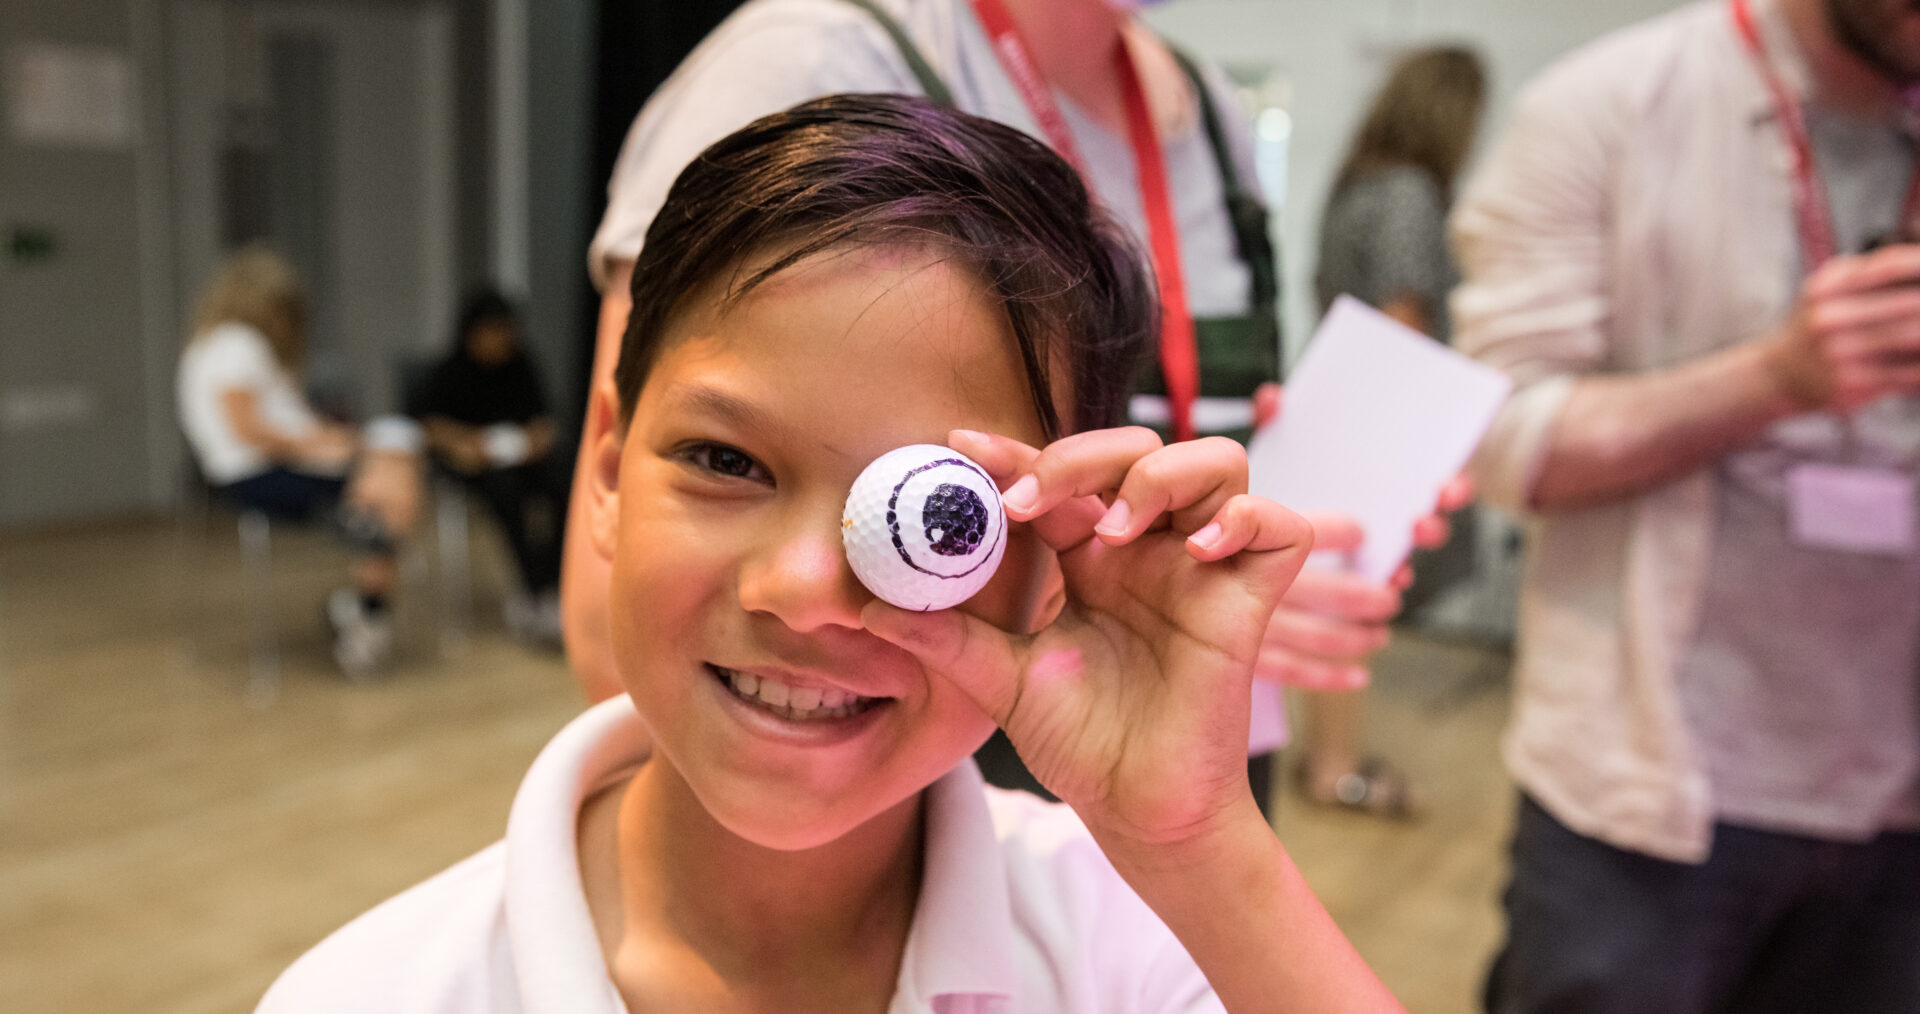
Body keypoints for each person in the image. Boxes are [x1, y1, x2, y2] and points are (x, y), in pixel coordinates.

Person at [256, 94, 1406, 1013]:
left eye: (940, 517)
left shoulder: (1136, 945)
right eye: (724, 461)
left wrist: (1198, 844)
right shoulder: (372, 993)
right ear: (605, 467)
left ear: (1053, 553)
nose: (807, 594)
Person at [564, 0, 1452, 814]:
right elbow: (634, 579)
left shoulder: (1208, 113)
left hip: (1186, 741)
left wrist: (1251, 533)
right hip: (926, 767)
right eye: (731, 466)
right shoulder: (811, 57)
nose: (801, 585)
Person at [1452, 0, 1920, 1009]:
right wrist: (1777, 380)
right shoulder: (1610, 105)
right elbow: (1498, 441)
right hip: (1653, 800)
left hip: (1895, 801)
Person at [1300, 46, 1487, 819]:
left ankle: (1327, 758)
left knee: (1334, 596)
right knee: (1350, 601)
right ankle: (1333, 767)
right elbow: (1403, 317)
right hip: (1378, 416)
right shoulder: (1409, 193)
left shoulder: (1357, 186)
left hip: (1339, 402)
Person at [176, 246, 424, 678]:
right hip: (259, 472)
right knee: (391, 481)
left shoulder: (216, 344)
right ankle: (366, 608)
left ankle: (364, 594)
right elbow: (249, 431)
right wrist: (322, 446)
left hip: (264, 466)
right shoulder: (239, 343)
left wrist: (328, 439)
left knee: (386, 477)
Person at [410, 288, 568, 646]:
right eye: (491, 332)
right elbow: (426, 425)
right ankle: (531, 587)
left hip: (522, 458)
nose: (499, 341)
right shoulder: (450, 369)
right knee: (506, 492)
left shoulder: (522, 363)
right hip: (476, 467)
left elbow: (545, 420)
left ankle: (551, 583)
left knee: (565, 482)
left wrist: (534, 440)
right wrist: (464, 442)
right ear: (471, 333)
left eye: (505, 332)